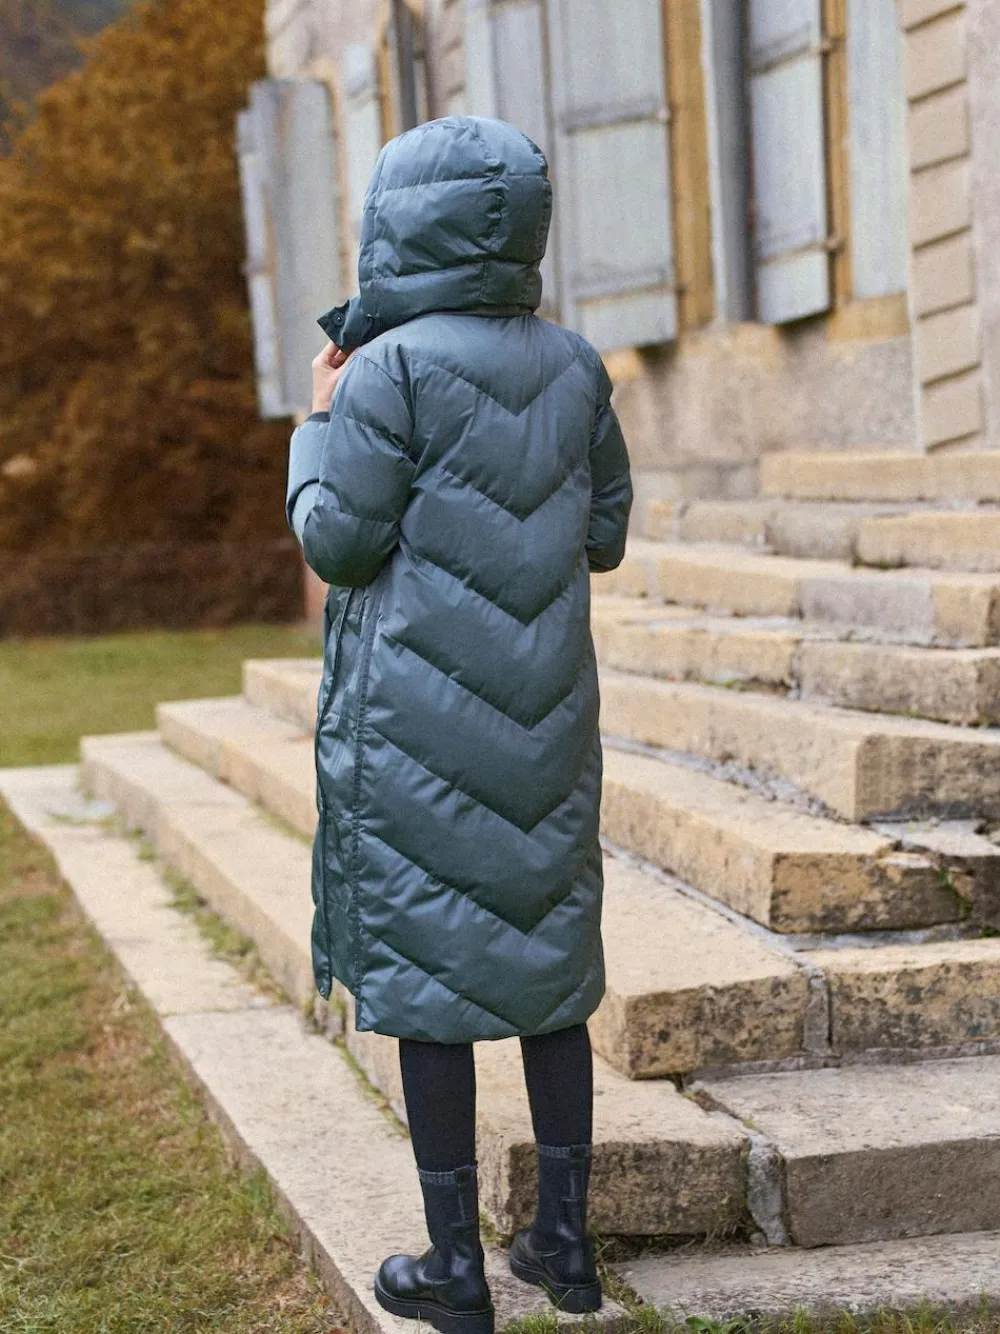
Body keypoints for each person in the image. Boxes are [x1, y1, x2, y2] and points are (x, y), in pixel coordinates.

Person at [285, 114, 632, 1334]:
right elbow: (605, 534)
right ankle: (565, 1245)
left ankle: (453, 1267)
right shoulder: (577, 364)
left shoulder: (384, 370)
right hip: (545, 716)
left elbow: (337, 540)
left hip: (416, 724)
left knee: (433, 968)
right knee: (548, 964)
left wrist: (316, 423)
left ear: (396, 225)